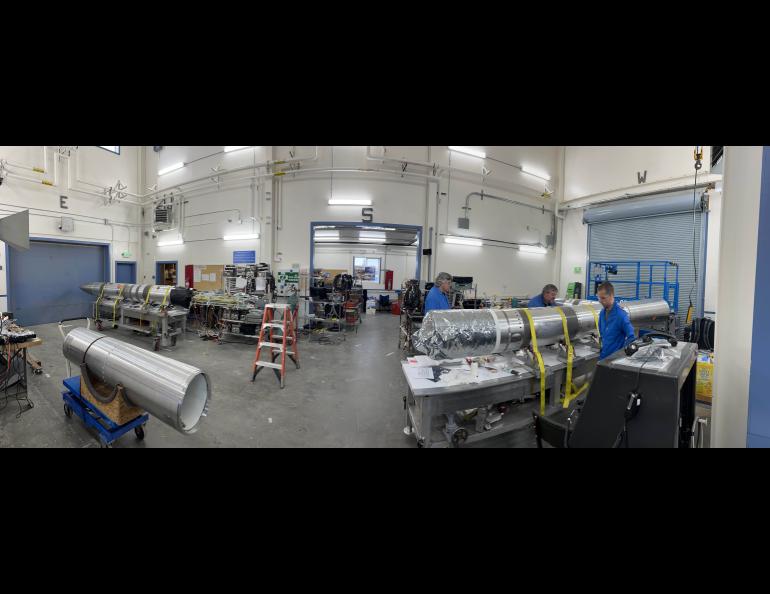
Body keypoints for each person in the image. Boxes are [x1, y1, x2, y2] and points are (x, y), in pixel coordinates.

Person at [596, 281, 635, 360]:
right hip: (603, 357)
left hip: (615, 359)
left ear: (611, 296)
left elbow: (631, 336)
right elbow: (602, 334)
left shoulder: (621, 315)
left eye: (603, 298)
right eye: (599, 298)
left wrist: (621, 353)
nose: (600, 301)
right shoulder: (602, 313)